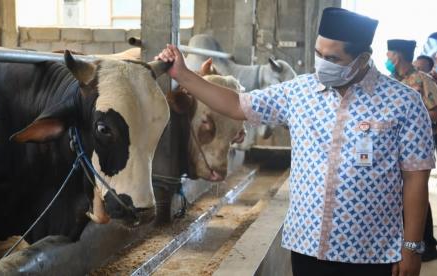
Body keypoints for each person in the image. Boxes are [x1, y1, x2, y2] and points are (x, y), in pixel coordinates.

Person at [157, 7, 434, 276]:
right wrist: (183, 75)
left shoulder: (404, 103)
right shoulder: (299, 92)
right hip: (308, 248)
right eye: (318, 53)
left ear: (362, 59)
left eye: (333, 58)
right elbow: (236, 105)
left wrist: (412, 247)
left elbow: (415, 180)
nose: (322, 63)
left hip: (373, 253)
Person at [387, 40, 437, 262]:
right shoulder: (390, 83)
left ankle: (426, 244)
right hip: (390, 148)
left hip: (416, 149)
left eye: (389, 53)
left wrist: (411, 117)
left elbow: (435, 113)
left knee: (417, 192)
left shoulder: (423, 80)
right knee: (399, 193)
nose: (386, 57)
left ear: (397, 55)